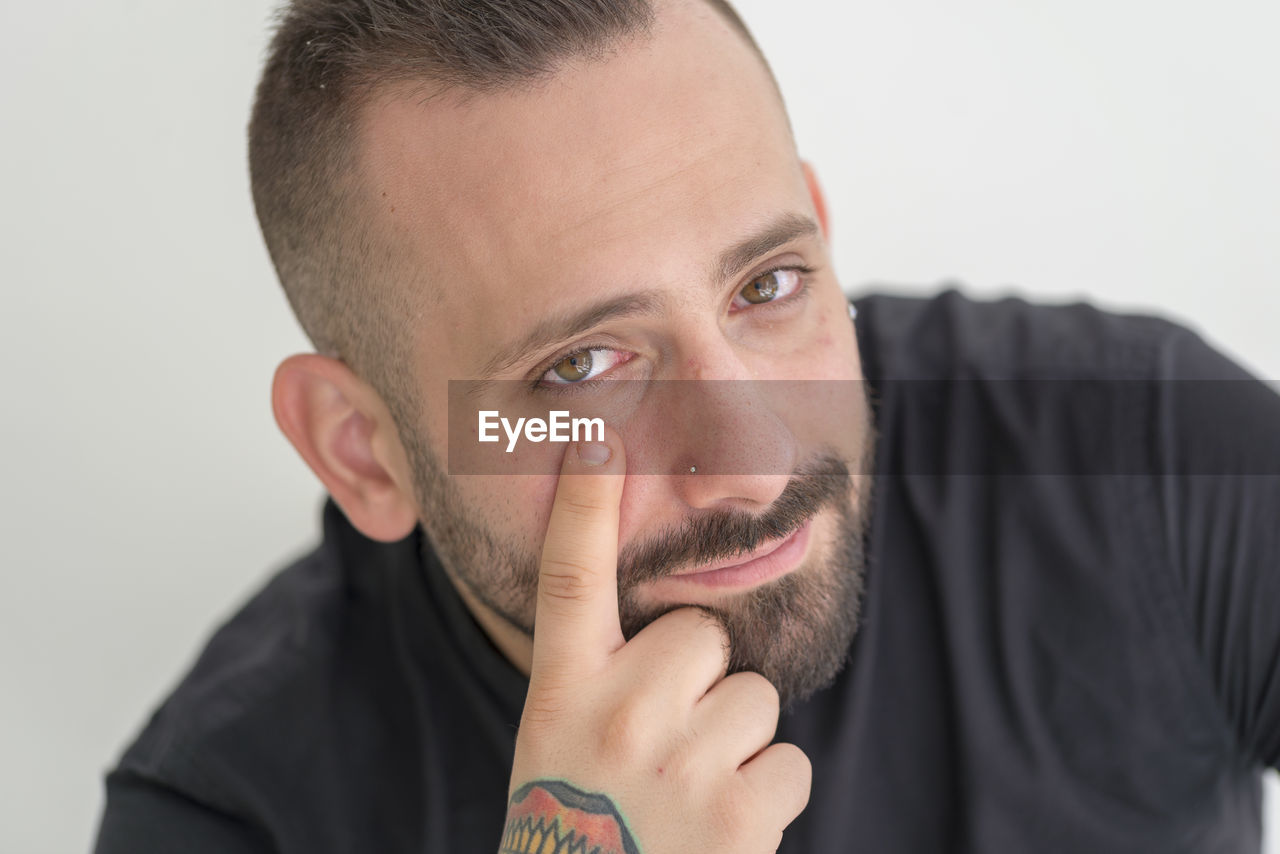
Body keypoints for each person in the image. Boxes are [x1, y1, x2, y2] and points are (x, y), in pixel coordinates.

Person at [93, 0, 1280, 851]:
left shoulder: (1142, 458)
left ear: (817, 232)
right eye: (586, 366)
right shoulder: (231, 812)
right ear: (365, 447)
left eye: (765, 286)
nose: (755, 458)